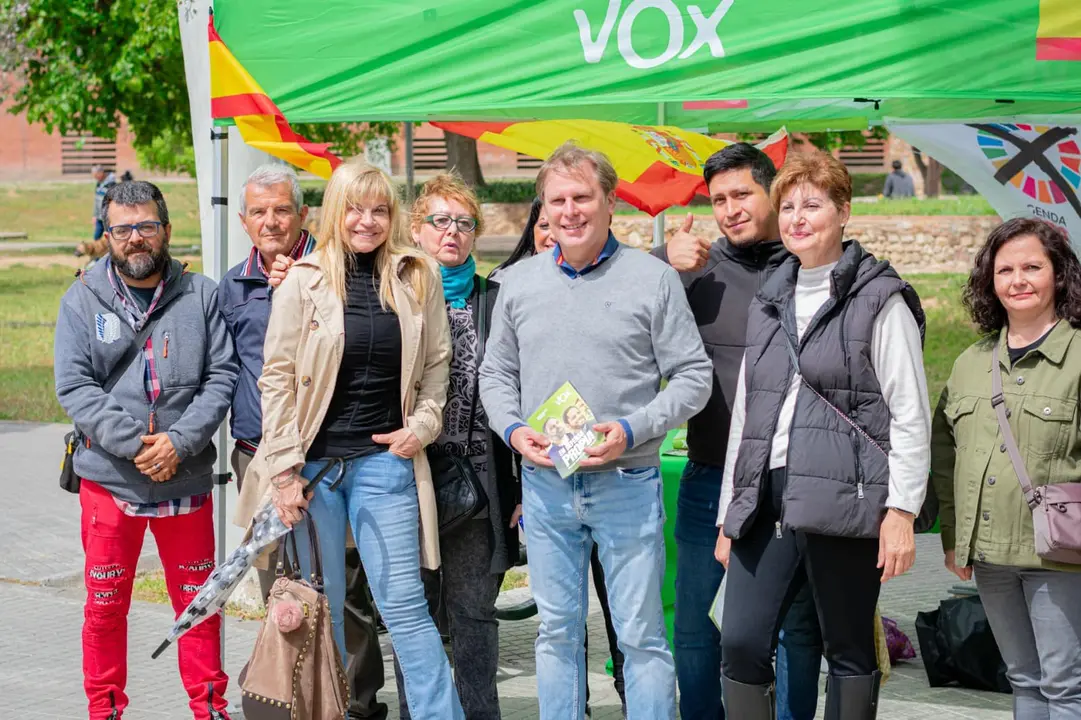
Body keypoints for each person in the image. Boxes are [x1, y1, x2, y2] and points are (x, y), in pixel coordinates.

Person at [480, 142, 713, 720]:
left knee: (639, 636)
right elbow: (496, 373)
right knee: (556, 633)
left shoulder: (652, 279)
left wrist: (634, 427)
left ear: (610, 202)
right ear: (543, 210)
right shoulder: (516, 284)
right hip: (546, 487)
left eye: (582, 196)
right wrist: (513, 431)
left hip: (627, 483)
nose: (570, 210)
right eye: (557, 200)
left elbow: (693, 376)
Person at [241, 158, 463, 718]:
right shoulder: (302, 280)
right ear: (338, 211)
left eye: (380, 209)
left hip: (385, 463)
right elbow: (277, 377)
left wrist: (422, 426)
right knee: (324, 611)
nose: (367, 221)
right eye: (357, 209)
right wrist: (285, 471)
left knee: (405, 607)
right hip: (312, 472)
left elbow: (439, 364)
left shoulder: (418, 275)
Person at [715, 151, 931, 719]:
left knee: (849, 648)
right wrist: (728, 515)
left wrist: (902, 513)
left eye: (812, 204)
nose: (797, 218)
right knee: (739, 640)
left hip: (849, 495)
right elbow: (747, 417)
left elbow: (910, 413)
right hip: (768, 498)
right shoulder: (768, 302)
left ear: (843, 212)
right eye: (787, 207)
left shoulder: (881, 299)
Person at [652, 142, 825, 720]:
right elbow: (621, 320)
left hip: (793, 483)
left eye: (742, 194)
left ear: (771, 192)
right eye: (718, 199)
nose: (730, 209)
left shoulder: (810, 269)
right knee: (699, 621)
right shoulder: (692, 270)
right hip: (709, 479)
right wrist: (660, 260)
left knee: (793, 628)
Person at [54, 180, 238, 720]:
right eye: (122, 228)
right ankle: (104, 709)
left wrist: (180, 442)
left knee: (199, 606)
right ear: (106, 235)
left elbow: (222, 374)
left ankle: (210, 708)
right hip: (110, 481)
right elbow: (74, 385)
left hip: (186, 478)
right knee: (106, 609)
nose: (136, 238)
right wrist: (137, 445)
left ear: (166, 231)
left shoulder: (201, 294)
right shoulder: (81, 297)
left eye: (146, 226)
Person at [220, 164, 388, 720]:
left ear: (304, 215)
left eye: (282, 210)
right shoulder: (233, 285)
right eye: (259, 212)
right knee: (286, 590)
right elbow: (230, 369)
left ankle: (357, 701)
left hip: (328, 461)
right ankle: (298, 701)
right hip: (260, 462)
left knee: (348, 591)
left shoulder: (331, 269)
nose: (271, 221)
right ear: (244, 222)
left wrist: (297, 285)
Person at [487, 193, 630, 718]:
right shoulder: (507, 290)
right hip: (543, 476)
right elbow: (496, 391)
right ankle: (576, 707)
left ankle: (633, 694)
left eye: (562, 222)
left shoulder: (612, 281)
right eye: (543, 225)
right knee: (563, 618)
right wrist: (519, 487)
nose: (554, 232)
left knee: (623, 611)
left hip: (609, 472)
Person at [932, 217, 1081, 718]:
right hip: (992, 555)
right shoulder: (972, 361)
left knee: (1065, 686)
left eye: (1032, 267)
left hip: (1062, 556)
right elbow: (945, 451)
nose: (1018, 280)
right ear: (989, 281)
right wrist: (954, 537)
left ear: (1059, 275)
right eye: (1005, 270)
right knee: (1023, 679)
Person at [402, 172, 522, 719]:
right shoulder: (394, 298)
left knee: (474, 614)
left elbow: (523, 388)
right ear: (417, 229)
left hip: (480, 488)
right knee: (416, 614)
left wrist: (522, 485)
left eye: (464, 223)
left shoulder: (498, 301)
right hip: (411, 484)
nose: (452, 232)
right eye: (440, 221)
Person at [489, 197, 553, 280]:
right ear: (532, 229)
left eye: (565, 226)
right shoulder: (505, 280)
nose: (554, 236)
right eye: (544, 226)